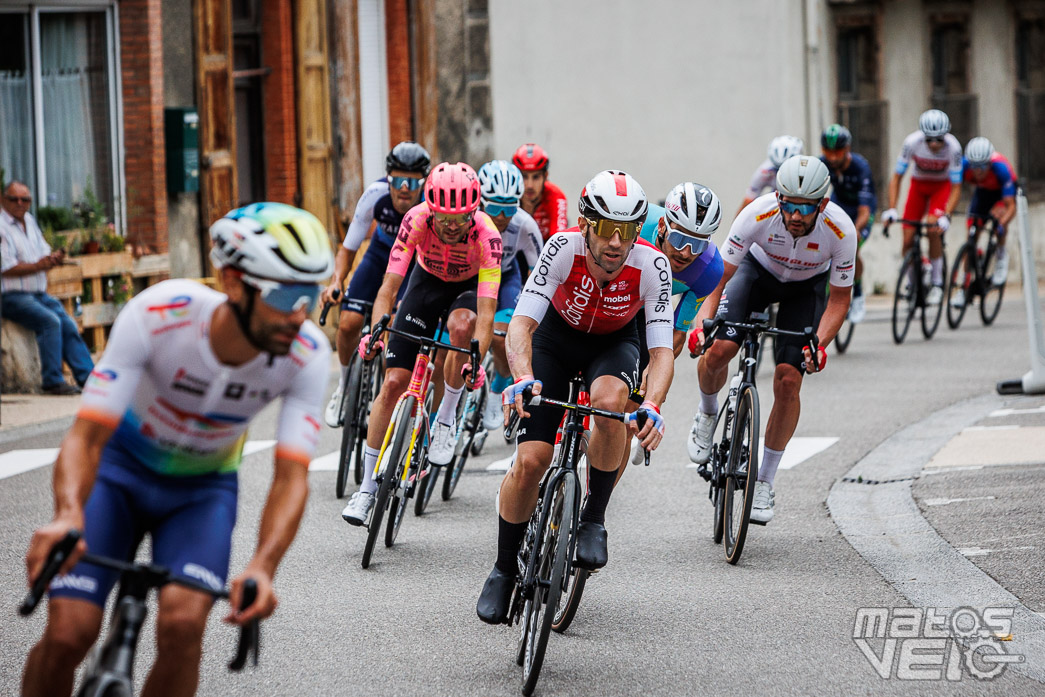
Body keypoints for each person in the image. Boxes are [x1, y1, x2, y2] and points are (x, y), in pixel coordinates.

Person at [21, 202, 334, 697]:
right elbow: (86, 436)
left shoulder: (307, 357)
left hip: (201, 492)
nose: (299, 315)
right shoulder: (160, 314)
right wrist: (67, 513)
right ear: (233, 281)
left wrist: (262, 567)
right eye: (284, 294)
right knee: (68, 632)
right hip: (118, 474)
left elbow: (292, 476)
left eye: (311, 296)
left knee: (185, 628)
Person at [476, 170, 673, 625]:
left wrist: (653, 404)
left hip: (613, 344)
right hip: (555, 342)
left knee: (609, 406)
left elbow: (661, 352)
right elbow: (523, 326)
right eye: (606, 229)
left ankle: (593, 518)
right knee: (531, 461)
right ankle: (504, 569)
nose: (616, 243)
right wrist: (523, 378)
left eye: (628, 231)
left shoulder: (652, 265)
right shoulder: (561, 248)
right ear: (586, 224)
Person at [687, 156, 856, 524]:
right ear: (778, 198)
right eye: (788, 205)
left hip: (805, 289)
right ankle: (707, 412)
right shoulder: (757, 214)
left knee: (788, 379)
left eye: (805, 208)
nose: (795, 215)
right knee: (719, 350)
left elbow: (839, 300)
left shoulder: (841, 231)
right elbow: (719, 278)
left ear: (822, 205)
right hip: (756, 274)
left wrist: (820, 345)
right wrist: (702, 323)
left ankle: (764, 481)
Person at [341, 162, 502, 525]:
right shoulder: (415, 220)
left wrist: (475, 359)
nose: (449, 226)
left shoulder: (488, 236)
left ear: (473, 212)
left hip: (467, 288)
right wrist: (375, 331)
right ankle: (366, 489)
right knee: (394, 383)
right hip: (425, 283)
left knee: (463, 326)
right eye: (442, 217)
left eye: (459, 219)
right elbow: (389, 288)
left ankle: (446, 418)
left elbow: (488, 312)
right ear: (430, 208)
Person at [320, 141, 431, 427]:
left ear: (423, 182)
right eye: (397, 179)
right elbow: (348, 248)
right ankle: (345, 388)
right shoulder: (375, 195)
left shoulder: (430, 204)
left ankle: (385, 401)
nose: (403, 188)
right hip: (380, 254)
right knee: (347, 323)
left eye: (411, 181)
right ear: (388, 178)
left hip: (411, 263)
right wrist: (336, 282)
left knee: (394, 327)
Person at [622, 182, 725, 466]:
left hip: (650, 311)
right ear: (664, 226)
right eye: (680, 239)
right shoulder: (637, 224)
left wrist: (654, 379)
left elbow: (677, 333)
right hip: (614, 298)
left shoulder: (709, 268)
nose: (686, 253)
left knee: (637, 395)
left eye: (699, 243)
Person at [1, 180, 94, 394]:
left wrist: (53, 259)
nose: (19, 203)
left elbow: (43, 253)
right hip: (10, 296)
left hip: (37, 294)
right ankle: (52, 380)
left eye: (25, 199)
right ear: (2, 199)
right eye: (13, 198)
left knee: (68, 323)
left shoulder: (30, 222)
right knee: (50, 322)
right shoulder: (1, 227)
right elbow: (4, 267)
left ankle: (88, 378)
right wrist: (38, 266)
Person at [475, 160, 544, 434]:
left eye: (509, 207)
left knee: (500, 337)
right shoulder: (472, 221)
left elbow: (540, 271)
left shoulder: (525, 225)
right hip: (474, 277)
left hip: (506, 278)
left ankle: (497, 387)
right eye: (494, 207)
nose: (502, 216)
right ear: (481, 201)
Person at [881, 109, 963, 306]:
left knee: (932, 226)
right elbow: (897, 178)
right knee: (907, 239)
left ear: (946, 136)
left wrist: (948, 215)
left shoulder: (954, 147)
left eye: (939, 140)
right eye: (930, 140)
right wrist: (892, 208)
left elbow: (956, 186)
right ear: (923, 136)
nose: (934, 144)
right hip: (918, 186)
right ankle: (911, 282)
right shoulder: (912, 143)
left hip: (940, 188)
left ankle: (936, 283)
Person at [820, 124, 877, 323]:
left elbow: (864, 210)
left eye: (838, 152)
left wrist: (856, 229)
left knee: (853, 248)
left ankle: (859, 294)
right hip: (839, 204)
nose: (833, 157)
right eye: (828, 152)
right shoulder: (823, 164)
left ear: (847, 150)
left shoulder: (860, 167)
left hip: (861, 210)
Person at [953, 136, 1017, 305]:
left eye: (982, 166)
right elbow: (954, 190)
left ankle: (1001, 256)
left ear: (989, 162)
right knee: (971, 237)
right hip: (982, 195)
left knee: (998, 221)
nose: (978, 171)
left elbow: (1012, 207)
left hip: (1001, 195)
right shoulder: (964, 166)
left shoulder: (1001, 168)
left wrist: (1002, 224)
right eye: (975, 166)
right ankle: (963, 288)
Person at [512, 143, 569, 241]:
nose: (530, 185)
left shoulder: (556, 195)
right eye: (524, 176)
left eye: (536, 177)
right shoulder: (509, 194)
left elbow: (559, 241)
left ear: (545, 176)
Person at [736, 135, 804, 217]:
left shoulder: (804, 170)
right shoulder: (765, 170)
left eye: (786, 169)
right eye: (777, 169)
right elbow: (749, 199)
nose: (781, 174)